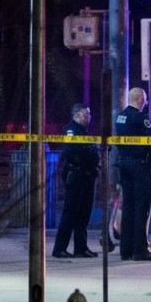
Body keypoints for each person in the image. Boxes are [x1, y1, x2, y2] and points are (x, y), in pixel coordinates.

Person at [114, 87, 151, 261]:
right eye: (145, 99)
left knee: (128, 207)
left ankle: (126, 250)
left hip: (124, 164)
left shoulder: (120, 117)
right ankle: (140, 250)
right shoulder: (141, 118)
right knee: (142, 208)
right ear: (141, 100)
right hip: (140, 166)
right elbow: (150, 141)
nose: (146, 102)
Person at [51, 103, 99, 259]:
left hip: (87, 176)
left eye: (89, 114)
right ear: (77, 115)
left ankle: (81, 248)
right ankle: (59, 249)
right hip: (76, 175)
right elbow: (72, 149)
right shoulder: (71, 129)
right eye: (86, 114)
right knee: (70, 213)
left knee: (83, 214)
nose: (89, 117)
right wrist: (90, 149)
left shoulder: (84, 131)